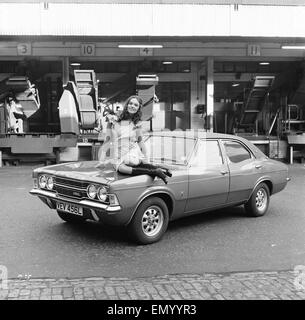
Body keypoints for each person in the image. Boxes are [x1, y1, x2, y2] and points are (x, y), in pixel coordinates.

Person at [98, 95, 147, 160]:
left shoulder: (137, 123)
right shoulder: (114, 118)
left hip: (132, 153)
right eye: (130, 103)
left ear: (139, 108)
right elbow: (107, 139)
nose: (132, 106)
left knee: (131, 161)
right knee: (122, 165)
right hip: (117, 153)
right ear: (127, 105)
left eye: (136, 105)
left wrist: (146, 157)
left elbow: (140, 141)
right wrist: (101, 159)